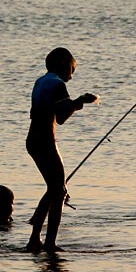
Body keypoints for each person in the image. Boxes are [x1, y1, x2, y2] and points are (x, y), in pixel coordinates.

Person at [26, 47, 99, 253]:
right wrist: (79, 102)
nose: (72, 75)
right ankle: (49, 243)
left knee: (54, 188)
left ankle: (35, 239)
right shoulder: (57, 84)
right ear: (64, 64)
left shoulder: (40, 81)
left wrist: (75, 104)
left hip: (33, 140)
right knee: (58, 190)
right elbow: (61, 117)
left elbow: (56, 114)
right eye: (72, 70)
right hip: (45, 141)